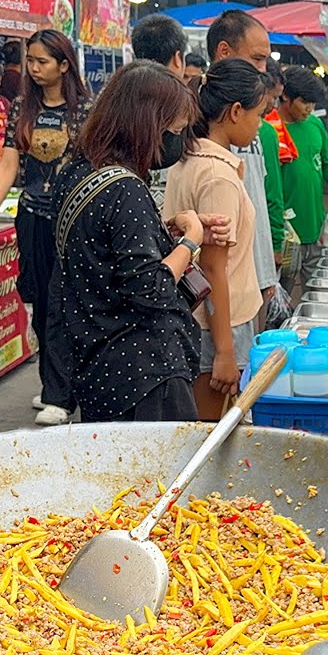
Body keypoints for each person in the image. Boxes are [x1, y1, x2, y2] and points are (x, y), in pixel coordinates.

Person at [54, 61, 230, 423]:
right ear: (147, 126)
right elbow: (150, 288)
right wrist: (192, 242)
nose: (176, 141)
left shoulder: (76, 172)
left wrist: (166, 235)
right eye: (175, 130)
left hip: (97, 368)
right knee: (159, 479)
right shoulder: (125, 188)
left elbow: (103, 251)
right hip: (143, 376)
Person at [0, 29, 91, 427]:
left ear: (64, 65)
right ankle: (54, 383)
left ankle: (61, 395)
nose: (34, 68)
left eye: (42, 61)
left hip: (71, 223)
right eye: (31, 60)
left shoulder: (86, 109)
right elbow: (8, 162)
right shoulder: (22, 106)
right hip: (31, 217)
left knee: (65, 303)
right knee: (41, 303)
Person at [164, 58, 267, 419]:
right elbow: (212, 266)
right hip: (217, 325)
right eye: (259, 114)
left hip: (204, 319)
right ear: (236, 111)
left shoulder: (192, 159)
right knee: (212, 434)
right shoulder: (216, 175)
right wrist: (224, 351)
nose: (260, 124)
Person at [206, 10, 282, 331]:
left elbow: (260, 200)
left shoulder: (259, 126)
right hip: (221, 291)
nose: (264, 70)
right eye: (258, 58)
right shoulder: (202, 126)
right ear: (224, 52)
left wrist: (267, 269)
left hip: (255, 278)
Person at [276, 66, 328, 291]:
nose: (309, 109)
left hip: (315, 228)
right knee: (281, 293)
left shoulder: (314, 124)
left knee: (316, 290)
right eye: (305, 102)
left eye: (313, 104)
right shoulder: (270, 130)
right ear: (286, 95)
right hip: (285, 234)